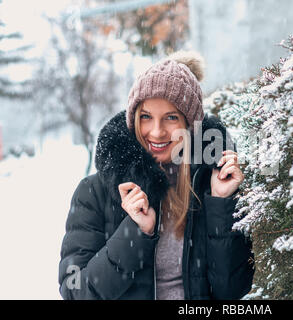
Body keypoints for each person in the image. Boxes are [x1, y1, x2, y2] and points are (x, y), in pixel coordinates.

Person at [58, 51, 254, 300]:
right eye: (146, 117)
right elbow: (74, 290)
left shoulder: (210, 184)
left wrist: (221, 204)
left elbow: (233, 292)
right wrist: (136, 232)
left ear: (189, 125)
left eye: (171, 118)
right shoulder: (94, 192)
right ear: (133, 120)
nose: (157, 132)